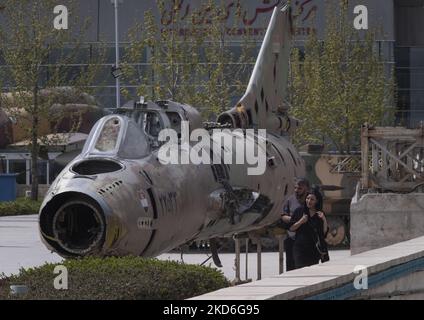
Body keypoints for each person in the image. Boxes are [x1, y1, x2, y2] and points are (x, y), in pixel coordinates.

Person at [289, 187, 329, 269]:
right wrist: (301, 221)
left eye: (312, 199)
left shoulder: (319, 214)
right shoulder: (299, 211)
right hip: (300, 249)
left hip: (314, 250)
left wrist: (324, 219)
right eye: (308, 198)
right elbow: (291, 228)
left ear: (317, 201)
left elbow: (323, 233)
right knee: (300, 270)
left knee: (312, 271)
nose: (309, 201)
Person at [281, 178, 310, 271]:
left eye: (300, 188)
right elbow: (283, 216)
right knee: (291, 267)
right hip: (292, 238)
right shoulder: (290, 200)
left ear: (307, 189)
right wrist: (294, 220)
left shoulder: (311, 200)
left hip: (307, 240)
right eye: (295, 188)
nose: (296, 191)